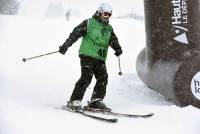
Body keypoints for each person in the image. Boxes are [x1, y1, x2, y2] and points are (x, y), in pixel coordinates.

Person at [59, 3, 122, 111]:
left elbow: (113, 40)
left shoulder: (109, 28)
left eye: (109, 15)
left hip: (100, 57)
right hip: (87, 55)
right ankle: (74, 101)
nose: (107, 16)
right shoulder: (89, 23)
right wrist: (66, 45)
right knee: (86, 77)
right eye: (105, 13)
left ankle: (96, 101)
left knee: (103, 78)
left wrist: (117, 48)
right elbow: (75, 33)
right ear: (100, 12)